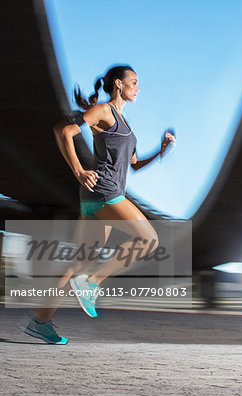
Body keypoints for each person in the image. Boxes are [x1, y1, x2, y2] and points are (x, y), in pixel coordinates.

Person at [23, 65, 176, 344]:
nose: (138, 87)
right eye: (134, 82)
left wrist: (161, 152)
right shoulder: (104, 111)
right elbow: (64, 131)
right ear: (118, 84)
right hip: (104, 190)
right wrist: (79, 171)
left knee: (78, 262)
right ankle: (92, 283)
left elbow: (134, 165)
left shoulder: (123, 121)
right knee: (148, 240)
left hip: (98, 196)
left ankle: (40, 321)